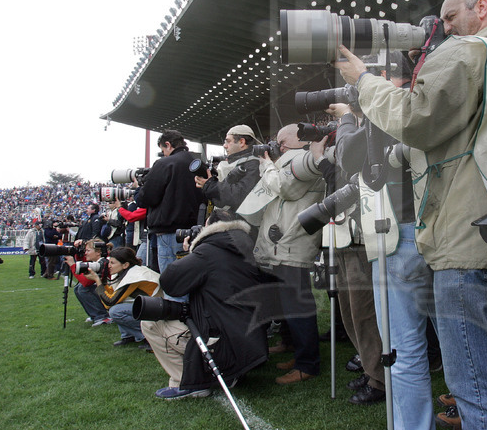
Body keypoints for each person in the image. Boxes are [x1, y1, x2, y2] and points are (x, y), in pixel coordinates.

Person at [334, 0, 487, 429]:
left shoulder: (469, 51)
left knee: (481, 384)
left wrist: (363, 80)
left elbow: (415, 121)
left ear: (482, 7)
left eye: (450, 17)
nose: (442, 28)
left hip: (466, 236)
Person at [330, 51, 435, 419]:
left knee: (405, 348)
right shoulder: (428, 99)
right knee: (457, 343)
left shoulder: (390, 109)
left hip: (399, 232)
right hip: (437, 230)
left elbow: (348, 155)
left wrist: (347, 119)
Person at [142, 209, 268, 400]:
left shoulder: (208, 252)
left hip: (222, 345)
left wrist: (189, 252)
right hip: (249, 345)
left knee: (150, 324)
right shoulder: (246, 247)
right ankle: (229, 374)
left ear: (210, 228)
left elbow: (170, 282)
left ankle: (188, 382)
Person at [253, 124, 327, 385]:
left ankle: (308, 364)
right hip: (285, 242)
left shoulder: (306, 159)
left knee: (299, 307)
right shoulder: (293, 160)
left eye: (282, 143)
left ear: (300, 141)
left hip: (293, 241)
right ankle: (299, 356)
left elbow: (284, 188)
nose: (278, 147)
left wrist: (266, 165)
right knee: (291, 306)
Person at [136, 130, 205, 273]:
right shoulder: (198, 163)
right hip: (195, 232)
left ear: (167, 144)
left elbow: (147, 198)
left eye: (163, 150)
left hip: (170, 232)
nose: (163, 154)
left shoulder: (165, 164)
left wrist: (140, 188)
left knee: (172, 283)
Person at [86, 246, 161, 347]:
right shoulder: (126, 272)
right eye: (109, 262)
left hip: (158, 311)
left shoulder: (134, 275)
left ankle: (149, 336)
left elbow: (109, 302)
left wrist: (97, 280)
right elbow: (112, 294)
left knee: (116, 310)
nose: (109, 266)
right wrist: (102, 280)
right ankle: (128, 335)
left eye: (112, 263)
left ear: (125, 264)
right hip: (151, 306)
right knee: (118, 304)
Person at [195, 125, 260, 213]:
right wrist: (206, 184)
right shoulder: (243, 163)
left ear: (242, 142)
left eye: (228, 141)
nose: (225, 146)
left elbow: (238, 195)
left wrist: (211, 186)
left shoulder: (254, 165)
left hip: (241, 222)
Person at [63, 239, 111, 326]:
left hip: (112, 293)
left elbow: (86, 282)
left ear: (98, 252)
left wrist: (73, 265)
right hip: (109, 291)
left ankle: (102, 316)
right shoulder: (100, 260)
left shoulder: (103, 263)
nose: (85, 253)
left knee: (83, 288)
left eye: (88, 250)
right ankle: (94, 315)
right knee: (78, 288)